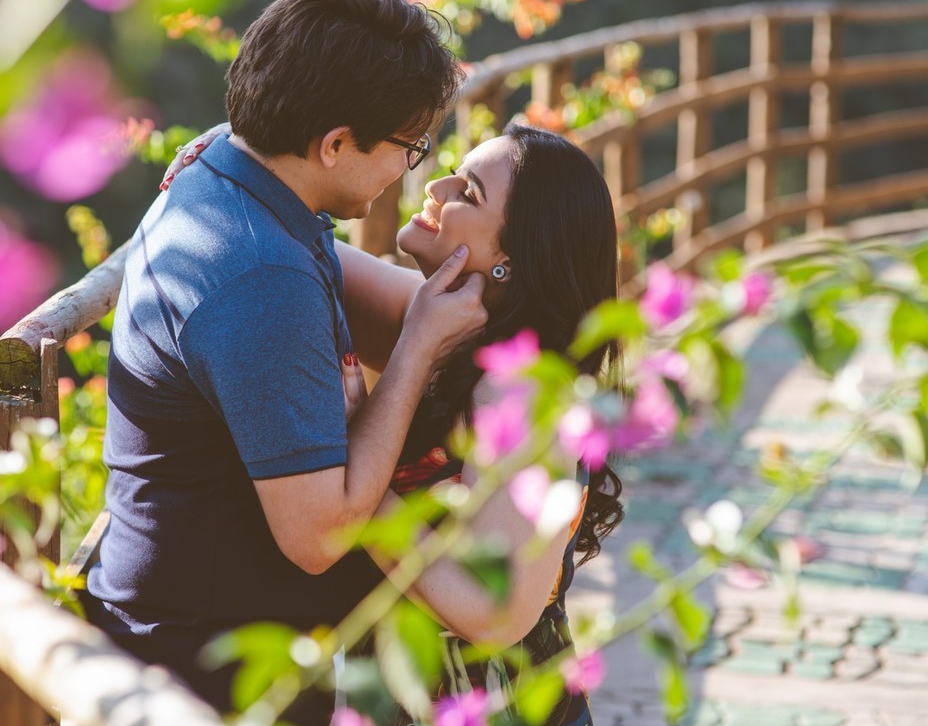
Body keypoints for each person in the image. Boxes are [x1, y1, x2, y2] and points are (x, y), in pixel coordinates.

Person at [83, 0, 484, 724]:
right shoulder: (260, 272)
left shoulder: (228, 166)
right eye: (409, 148)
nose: (410, 169)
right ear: (334, 144)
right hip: (207, 668)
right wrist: (418, 349)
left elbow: (388, 302)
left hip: (183, 618)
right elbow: (320, 537)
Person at [175, 122, 624, 725]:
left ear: (509, 261)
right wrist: (224, 155)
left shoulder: (522, 391)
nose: (436, 186)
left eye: (469, 193)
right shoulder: (447, 322)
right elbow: (277, 239)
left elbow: (498, 615)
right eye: (453, 172)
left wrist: (356, 472)